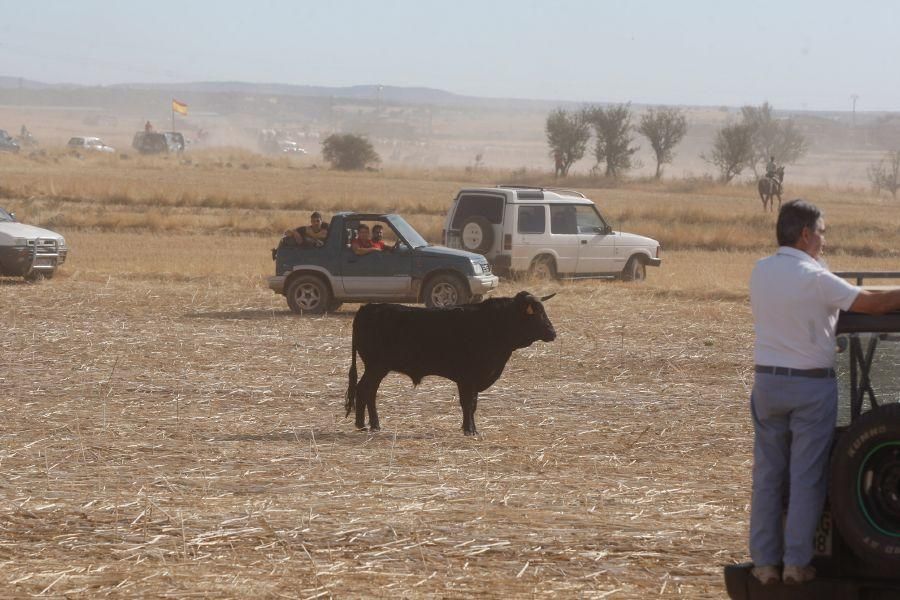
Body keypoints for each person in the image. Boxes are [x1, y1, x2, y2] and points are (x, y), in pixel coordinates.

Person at [748, 199, 900, 586]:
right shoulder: (814, 276)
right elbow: (873, 302)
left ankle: (764, 565)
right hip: (809, 386)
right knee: (806, 477)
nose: (824, 242)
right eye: (822, 233)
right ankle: (797, 564)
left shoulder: (761, 271)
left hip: (767, 383)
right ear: (805, 234)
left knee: (767, 477)